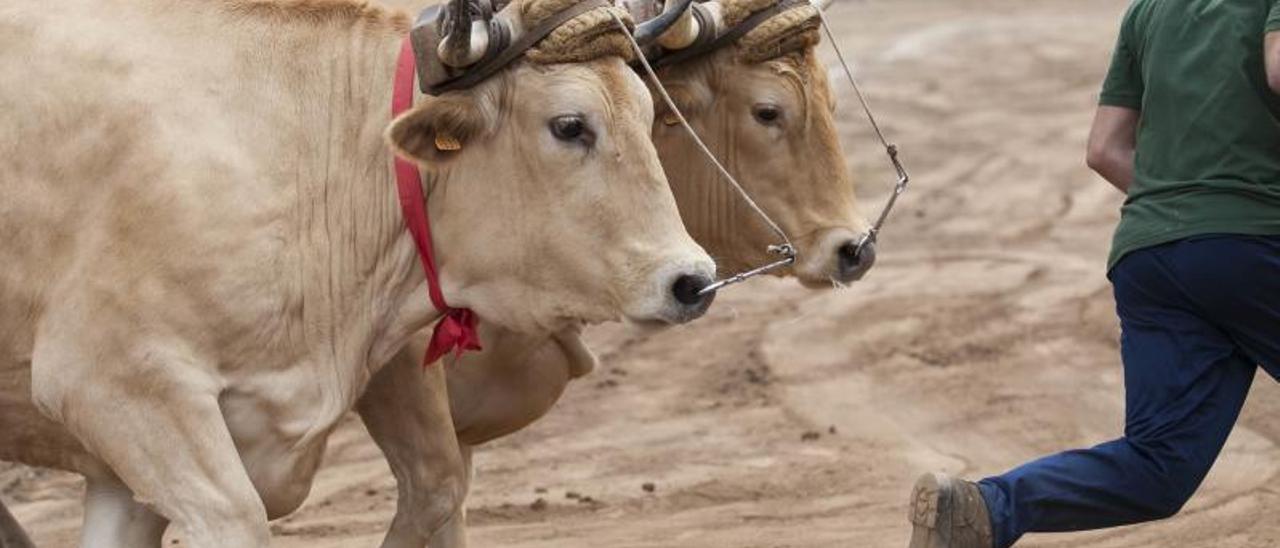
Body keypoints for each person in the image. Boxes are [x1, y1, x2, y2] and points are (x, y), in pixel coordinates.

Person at [906, 1, 1280, 547]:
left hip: (1151, 254)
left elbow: (1105, 149)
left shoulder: (1148, 10)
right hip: (1254, 242)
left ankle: (983, 509)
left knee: (1157, 466)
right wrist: (1227, 214)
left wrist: (1193, 211)